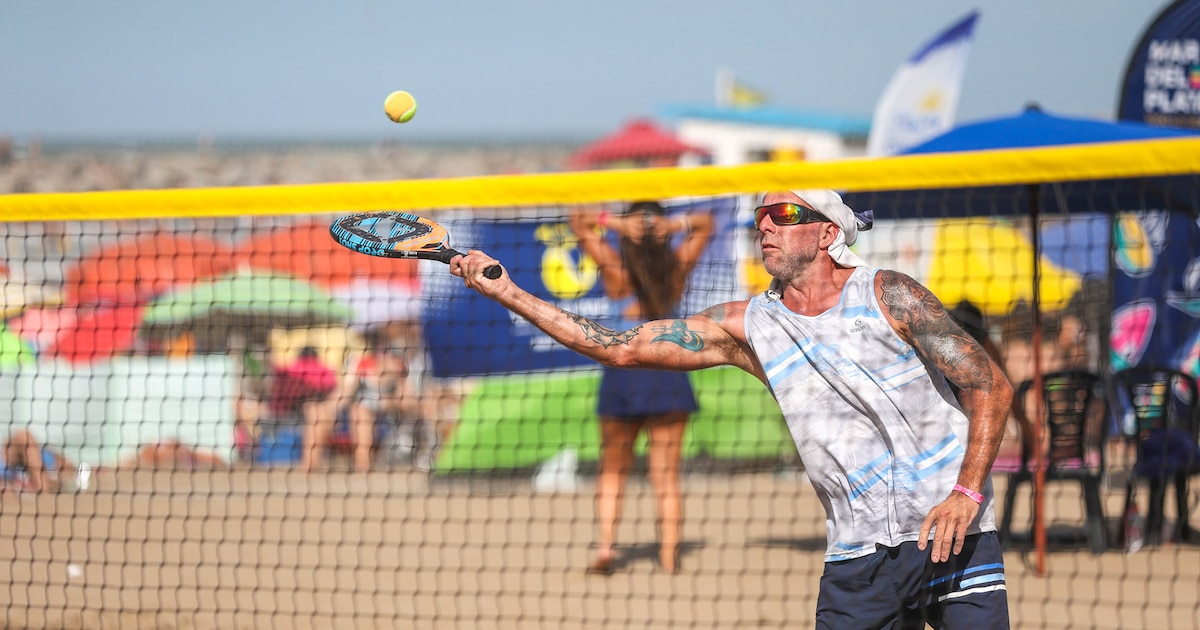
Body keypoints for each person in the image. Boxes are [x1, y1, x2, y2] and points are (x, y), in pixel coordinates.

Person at [451, 190, 1013, 628]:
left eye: (783, 213)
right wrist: (507, 292)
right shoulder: (748, 326)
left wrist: (965, 493)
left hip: (953, 532)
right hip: (858, 552)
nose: (765, 225)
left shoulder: (890, 293)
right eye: (759, 217)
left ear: (827, 232)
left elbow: (990, 385)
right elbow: (617, 346)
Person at [567, 201, 714, 575]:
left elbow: (578, 220)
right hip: (668, 372)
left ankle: (605, 549)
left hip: (624, 374)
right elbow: (706, 223)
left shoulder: (616, 270)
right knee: (665, 476)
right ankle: (668, 558)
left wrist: (615, 223)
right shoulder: (676, 269)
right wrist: (672, 223)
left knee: (612, 470)